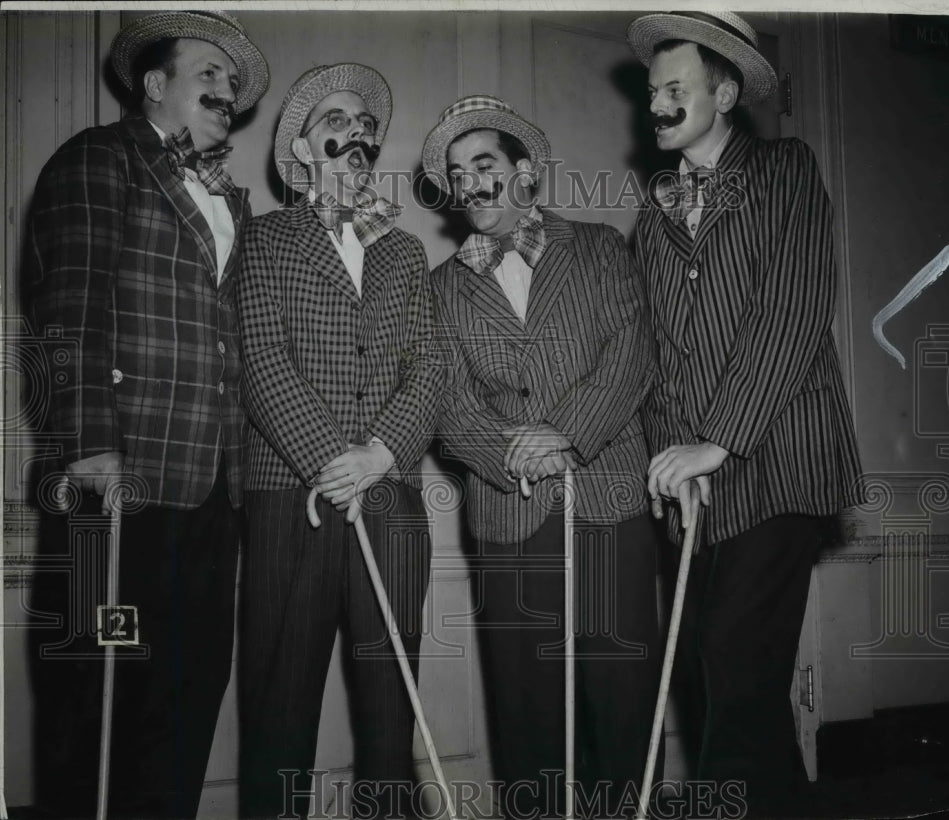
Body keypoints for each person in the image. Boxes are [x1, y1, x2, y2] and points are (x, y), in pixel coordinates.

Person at [25, 10, 269, 818]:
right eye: (209, 73)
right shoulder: (99, 158)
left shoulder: (232, 200)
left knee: (188, 691)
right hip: (115, 487)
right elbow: (67, 309)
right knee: (95, 687)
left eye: (233, 84)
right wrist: (90, 447)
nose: (226, 91)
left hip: (209, 493)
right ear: (155, 84)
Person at [627, 11, 866, 817]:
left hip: (781, 462)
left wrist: (715, 442)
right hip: (703, 486)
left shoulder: (785, 168)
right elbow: (657, 354)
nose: (658, 105)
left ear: (726, 92)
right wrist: (673, 461)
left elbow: (793, 311)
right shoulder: (654, 215)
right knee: (725, 680)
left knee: (733, 662)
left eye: (677, 88)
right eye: (653, 91)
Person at [423, 94, 660, 820]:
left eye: (483, 165)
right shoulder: (441, 287)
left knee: (619, 701)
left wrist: (565, 431)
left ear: (524, 171)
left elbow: (631, 354)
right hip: (507, 516)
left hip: (608, 501)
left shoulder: (599, 247)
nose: (469, 185)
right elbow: (448, 404)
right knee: (526, 713)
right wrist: (514, 456)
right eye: (456, 175)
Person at [237, 64, 441, 819]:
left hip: (391, 494)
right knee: (279, 712)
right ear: (302, 146)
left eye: (366, 125)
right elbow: (261, 359)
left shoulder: (405, 252)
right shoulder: (262, 239)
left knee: (390, 715)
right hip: (292, 499)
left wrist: (381, 453)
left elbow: (431, 363)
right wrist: (333, 463)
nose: (357, 133)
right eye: (337, 117)